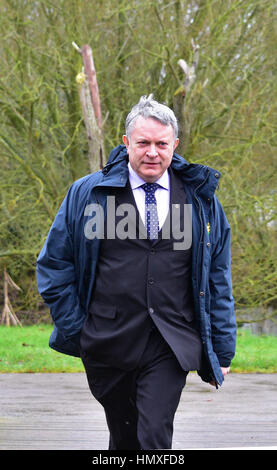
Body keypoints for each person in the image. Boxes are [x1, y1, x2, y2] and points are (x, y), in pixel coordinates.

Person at [36, 95, 236, 450]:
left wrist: (222, 347)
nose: (153, 153)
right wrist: (76, 328)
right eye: (143, 143)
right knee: (125, 438)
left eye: (162, 144)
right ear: (127, 142)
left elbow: (217, 276)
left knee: (154, 435)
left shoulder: (199, 200)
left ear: (175, 144)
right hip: (106, 339)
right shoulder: (89, 194)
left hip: (171, 339)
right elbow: (54, 264)